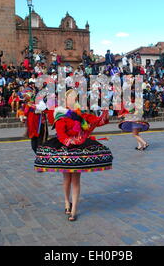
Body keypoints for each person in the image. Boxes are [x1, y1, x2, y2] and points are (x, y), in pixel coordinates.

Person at [34, 89, 113, 222]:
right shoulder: (60, 115)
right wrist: (71, 141)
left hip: (79, 148)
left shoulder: (81, 116)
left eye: (77, 98)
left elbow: (98, 121)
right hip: (65, 148)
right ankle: (66, 202)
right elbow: (61, 134)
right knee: (67, 180)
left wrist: (105, 110)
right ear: (66, 100)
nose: (75, 100)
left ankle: (74, 209)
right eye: (73, 97)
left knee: (76, 180)